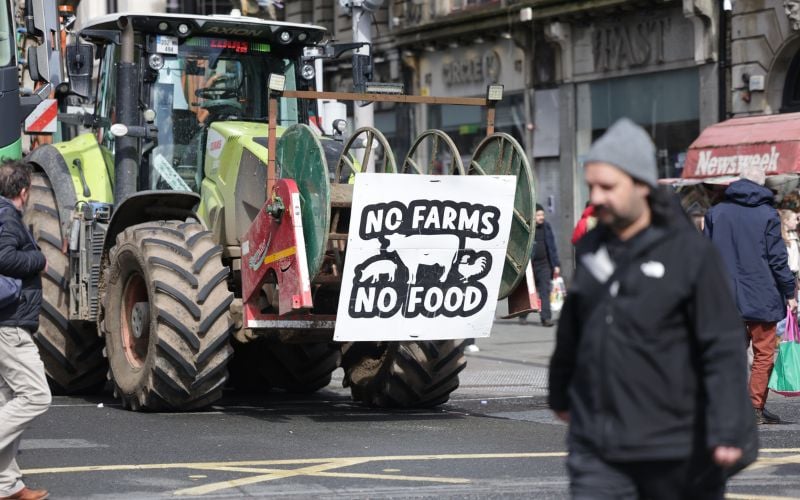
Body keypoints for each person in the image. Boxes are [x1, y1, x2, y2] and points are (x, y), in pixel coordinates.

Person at [549, 118, 755, 499]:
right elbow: (574, 327)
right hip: (599, 446)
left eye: (608, 186)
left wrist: (728, 427)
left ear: (641, 185)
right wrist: (559, 392)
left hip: (676, 449)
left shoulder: (691, 254)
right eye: (591, 185)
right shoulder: (593, 246)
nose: (596, 197)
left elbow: (722, 345)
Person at [705, 165, 797, 425]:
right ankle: (754, 406)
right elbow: (778, 259)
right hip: (762, 293)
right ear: (761, 184)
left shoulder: (716, 213)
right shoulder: (767, 214)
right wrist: (790, 291)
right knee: (764, 353)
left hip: (724, 295)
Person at [0, 160, 50, 500]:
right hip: (11, 325)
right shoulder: (6, 217)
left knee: (8, 398)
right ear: (23, 191)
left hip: (9, 321)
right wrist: (39, 260)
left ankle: (7, 485)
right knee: (35, 395)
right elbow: (4, 257)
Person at [531, 204, 561, 327]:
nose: (541, 217)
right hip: (531, 266)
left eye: (542, 214)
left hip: (545, 265)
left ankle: (546, 318)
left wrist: (556, 264)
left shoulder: (547, 227)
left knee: (544, 291)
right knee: (530, 291)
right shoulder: (528, 229)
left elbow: (552, 247)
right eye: (538, 215)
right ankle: (523, 314)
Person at [780, 209, 800, 283]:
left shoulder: (793, 235)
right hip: (787, 276)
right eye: (794, 219)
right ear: (786, 221)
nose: (797, 222)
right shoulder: (780, 239)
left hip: (795, 275)